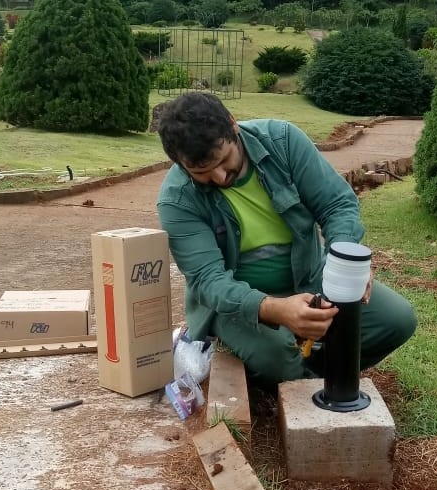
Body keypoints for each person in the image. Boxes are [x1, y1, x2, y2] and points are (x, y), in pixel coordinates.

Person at [156, 92, 416, 386]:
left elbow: (336, 205)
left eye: (223, 160)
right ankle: (288, 370)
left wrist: (345, 264)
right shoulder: (177, 200)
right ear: (179, 164)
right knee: (278, 357)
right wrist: (275, 310)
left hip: (309, 277)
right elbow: (208, 280)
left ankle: (304, 373)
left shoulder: (283, 141)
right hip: (239, 303)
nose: (218, 177)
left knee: (397, 320)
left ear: (233, 124)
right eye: (201, 172)